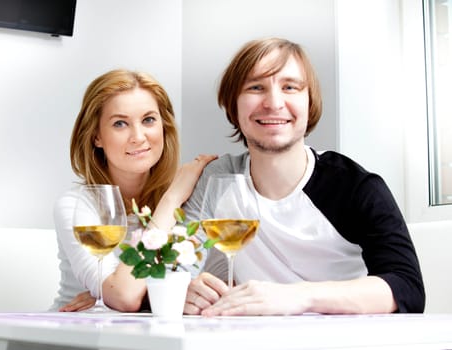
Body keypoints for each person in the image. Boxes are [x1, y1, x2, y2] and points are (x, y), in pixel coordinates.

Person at [182, 37, 425, 316]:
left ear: (310, 103)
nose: (273, 103)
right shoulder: (220, 178)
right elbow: (174, 268)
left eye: (290, 87)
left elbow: (407, 288)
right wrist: (185, 290)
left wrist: (297, 296)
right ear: (233, 105)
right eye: (256, 87)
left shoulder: (355, 186)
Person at [50, 69, 216, 312]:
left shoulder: (192, 198)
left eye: (149, 120)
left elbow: (218, 283)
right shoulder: (76, 207)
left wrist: (144, 297)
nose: (138, 137)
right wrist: (170, 201)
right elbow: (125, 297)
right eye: (120, 123)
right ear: (96, 136)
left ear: (164, 126)